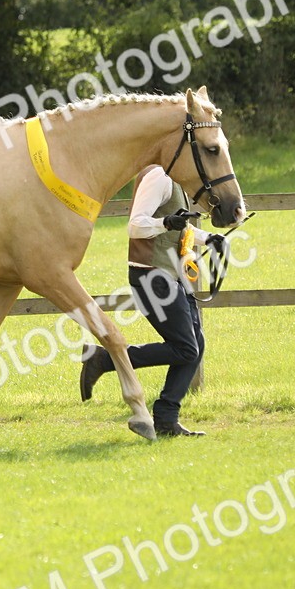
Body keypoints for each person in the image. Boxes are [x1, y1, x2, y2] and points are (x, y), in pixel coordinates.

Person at [79, 164, 227, 437]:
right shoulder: (159, 176)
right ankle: (105, 360)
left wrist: (209, 239)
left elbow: (180, 231)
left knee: (195, 344)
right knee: (187, 348)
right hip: (151, 276)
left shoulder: (178, 181)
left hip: (170, 275)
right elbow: (135, 226)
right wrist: (165, 222)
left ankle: (167, 419)